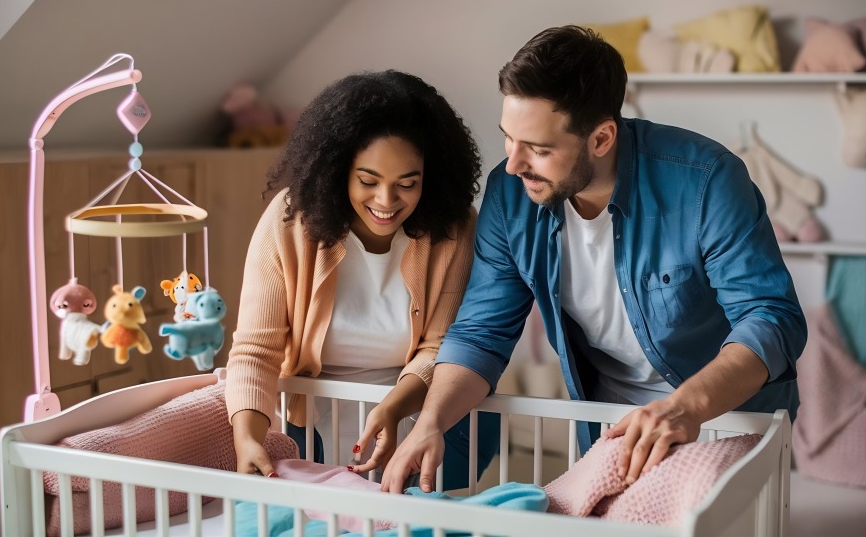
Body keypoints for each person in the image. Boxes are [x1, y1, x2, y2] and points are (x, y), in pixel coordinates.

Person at [378, 25, 807, 494]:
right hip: (612, 422)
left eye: (539, 150)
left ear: (602, 138)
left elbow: (770, 316)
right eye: (509, 138)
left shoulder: (707, 179)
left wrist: (686, 406)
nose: (515, 164)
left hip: (724, 410)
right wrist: (432, 422)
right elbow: (483, 330)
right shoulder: (510, 194)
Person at [225, 70, 499, 488]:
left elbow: (440, 347)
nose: (386, 202)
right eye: (368, 181)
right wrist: (246, 439)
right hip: (310, 425)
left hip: (427, 418)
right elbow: (255, 350)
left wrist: (392, 407)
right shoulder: (290, 222)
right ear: (338, 171)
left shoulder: (453, 228)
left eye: (407, 184)